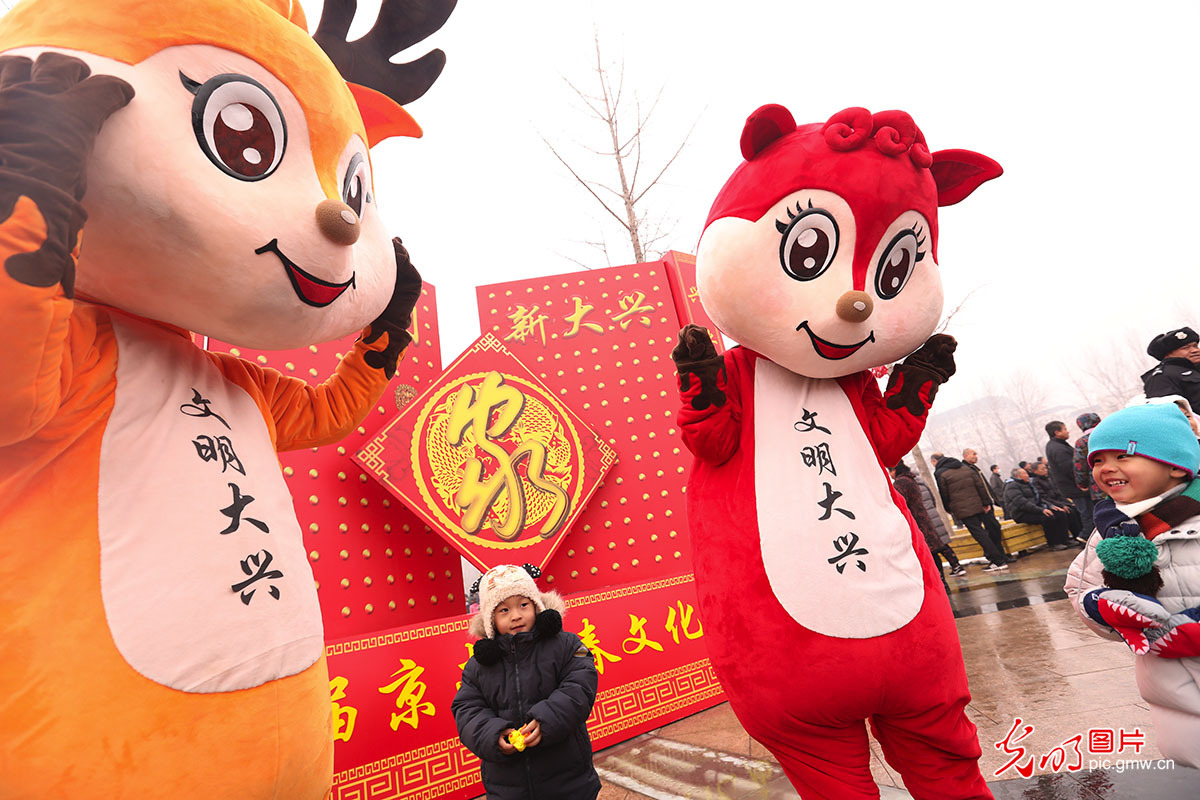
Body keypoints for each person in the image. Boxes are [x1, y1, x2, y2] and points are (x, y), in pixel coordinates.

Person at [1065, 403, 1200, 767]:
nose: (1106, 468)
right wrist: (1103, 608)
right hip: (1172, 692)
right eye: (1097, 460)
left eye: (1124, 455)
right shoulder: (1110, 528)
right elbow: (1079, 588)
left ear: (1174, 465)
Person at [452, 564, 602, 800]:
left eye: (523, 604)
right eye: (503, 610)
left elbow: (580, 685)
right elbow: (467, 709)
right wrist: (493, 735)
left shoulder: (566, 645)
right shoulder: (478, 667)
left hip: (569, 781)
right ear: (490, 619)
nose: (516, 615)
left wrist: (547, 719)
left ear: (536, 605)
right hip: (508, 788)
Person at [934, 452, 1013, 571]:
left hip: (962, 508)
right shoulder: (965, 468)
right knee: (985, 531)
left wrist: (948, 509)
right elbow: (979, 485)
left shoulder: (940, 473)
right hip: (979, 505)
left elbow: (944, 493)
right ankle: (998, 558)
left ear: (935, 462)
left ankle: (998, 560)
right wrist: (986, 502)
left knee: (979, 534)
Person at [892, 462, 963, 591]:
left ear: (894, 470)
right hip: (927, 518)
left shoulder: (900, 483)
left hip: (917, 522)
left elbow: (899, 504)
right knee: (937, 548)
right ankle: (945, 577)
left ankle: (939, 581)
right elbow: (931, 498)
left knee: (930, 553)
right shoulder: (916, 480)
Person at [1005, 468, 1073, 550]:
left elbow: (1039, 499)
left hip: (1034, 509)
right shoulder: (1011, 486)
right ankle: (1053, 543)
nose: (1028, 475)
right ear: (1018, 476)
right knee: (1048, 517)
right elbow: (1022, 503)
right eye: (1025, 474)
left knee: (1060, 513)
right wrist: (1041, 510)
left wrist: (1050, 506)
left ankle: (1065, 540)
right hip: (1021, 513)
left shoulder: (1028, 484)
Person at [1046, 420, 1094, 536]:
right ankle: (1085, 536)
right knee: (1087, 513)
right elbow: (1070, 469)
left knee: (1087, 512)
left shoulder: (1057, 445)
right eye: (1065, 429)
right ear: (1057, 432)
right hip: (1075, 487)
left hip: (1074, 486)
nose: (1068, 432)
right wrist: (1082, 483)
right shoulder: (1058, 448)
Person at [1142, 326, 1200, 412]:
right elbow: (1167, 413)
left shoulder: (1195, 371)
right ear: (1168, 354)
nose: (1195, 350)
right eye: (1186, 348)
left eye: (1195, 346)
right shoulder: (1161, 376)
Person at [1028, 461, 1085, 543]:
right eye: (1042, 469)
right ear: (1035, 471)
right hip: (1049, 505)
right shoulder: (1035, 482)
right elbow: (1044, 498)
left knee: (1075, 509)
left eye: (1045, 468)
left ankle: (1080, 535)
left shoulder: (1048, 479)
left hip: (1057, 502)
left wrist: (1067, 503)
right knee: (1067, 512)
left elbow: (1058, 494)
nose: (1045, 470)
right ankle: (1066, 539)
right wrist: (1061, 505)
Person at [1073, 412, 1103, 516]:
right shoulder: (1111, 433)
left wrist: (1082, 484)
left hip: (1099, 486)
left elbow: (1080, 466)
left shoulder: (1082, 442)